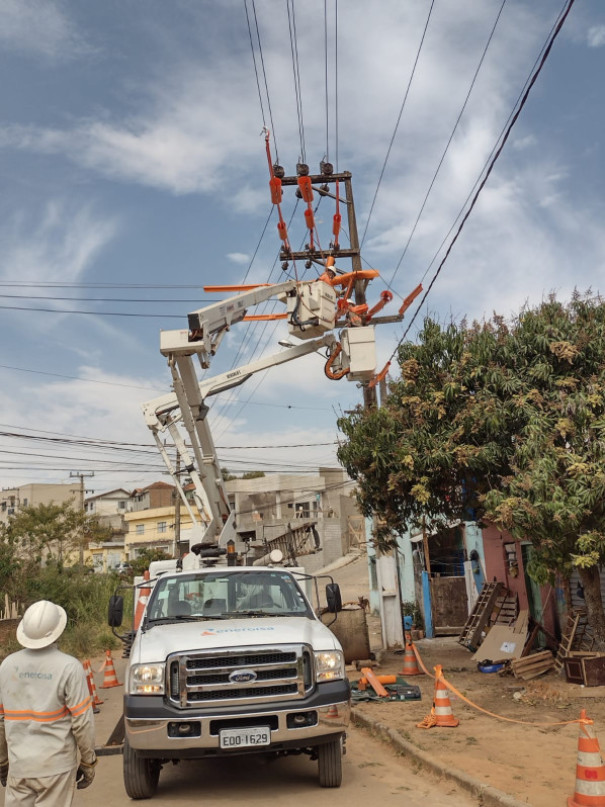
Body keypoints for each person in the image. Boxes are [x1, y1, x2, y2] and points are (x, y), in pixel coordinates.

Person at [0, 599, 97, 806]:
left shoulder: (6, 666)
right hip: (56, 768)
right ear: (57, 630)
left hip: (20, 767)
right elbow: (82, 722)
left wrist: (2, 762)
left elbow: (1, 721)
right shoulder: (69, 667)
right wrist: (88, 761)